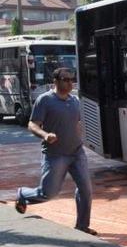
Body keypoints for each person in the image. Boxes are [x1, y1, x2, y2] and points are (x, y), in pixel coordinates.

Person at [15, 68, 97, 236]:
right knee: (48, 193)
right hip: (55, 154)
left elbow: (77, 123)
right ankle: (23, 193)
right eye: (66, 79)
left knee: (85, 189)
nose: (70, 83)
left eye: (71, 80)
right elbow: (32, 124)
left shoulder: (74, 101)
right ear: (56, 81)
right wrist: (45, 135)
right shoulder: (44, 100)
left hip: (76, 152)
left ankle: (82, 226)